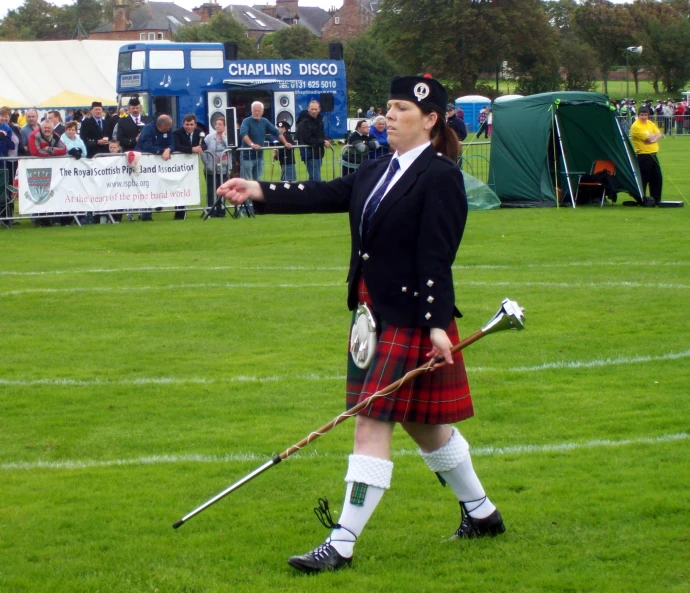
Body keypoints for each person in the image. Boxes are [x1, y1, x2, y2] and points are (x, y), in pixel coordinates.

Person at [217, 75, 503, 574]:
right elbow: (324, 192)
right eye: (387, 107)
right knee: (422, 423)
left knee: (371, 421)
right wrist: (258, 188)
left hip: (412, 316)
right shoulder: (376, 169)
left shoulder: (440, 176)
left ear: (430, 119)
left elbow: (437, 256)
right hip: (373, 316)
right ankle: (482, 514)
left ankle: (342, 541)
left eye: (400, 109)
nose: (388, 116)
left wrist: (437, 325)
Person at [135, 114, 175, 220]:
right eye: (169, 125)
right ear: (162, 125)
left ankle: (158, 204)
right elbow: (147, 146)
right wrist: (162, 151)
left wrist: (168, 150)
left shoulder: (168, 130)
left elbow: (173, 143)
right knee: (146, 187)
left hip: (159, 164)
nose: (171, 127)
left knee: (159, 184)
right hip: (144, 163)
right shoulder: (148, 130)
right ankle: (145, 214)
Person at [239, 101, 292, 182]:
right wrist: (252, 145)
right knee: (245, 182)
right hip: (247, 157)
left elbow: (276, 132)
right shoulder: (246, 121)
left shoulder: (265, 121)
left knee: (258, 182)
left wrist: (285, 142)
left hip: (259, 157)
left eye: (258, 111)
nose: (256, 113)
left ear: (262, 112)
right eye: (255, 110)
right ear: (251, 111)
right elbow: (243, 134)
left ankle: (256, 195)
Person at [173, 114, 205, 220]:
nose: (189, 127)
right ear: (183, 124)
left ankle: (184, 211)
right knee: (179, 187)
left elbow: (204, 144)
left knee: (188, 187)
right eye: (187, 124)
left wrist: (200, 148)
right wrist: (192, 149)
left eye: (191, 124)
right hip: (178, 166)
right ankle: (179, 213)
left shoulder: (199, 132)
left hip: (192, 167)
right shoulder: (177, 133)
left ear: (195, 124)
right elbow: (177, 146)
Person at [630, 106, 663, 205]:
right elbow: (648, 139)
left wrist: (653, 138)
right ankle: (642, 198)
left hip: (653, 154)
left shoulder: (650, 123)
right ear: (638, 115)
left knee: (657, 178)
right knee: (644, 178)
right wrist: (653, 138)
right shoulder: (636, 126)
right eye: (642, 115)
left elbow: (659, 134)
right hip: (644, 155)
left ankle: (656, 199)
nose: (644, 117)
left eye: (645, 115)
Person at [201, 116, 230, 218]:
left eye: (220, 124)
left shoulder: (228, 139)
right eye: (216, 124)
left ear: (225, 126)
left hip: (223, 169)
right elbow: (203, 151)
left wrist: (229, 167)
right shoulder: (208, 138)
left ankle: (221, 210)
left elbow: (230, 152)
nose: (217, 126)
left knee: (222, 190)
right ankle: (211, 210)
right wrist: (207, 164)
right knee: (211, 191)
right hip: (210, 170)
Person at [296, 100, 331, 181]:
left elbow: (321, 135)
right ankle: (318, 193)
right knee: (316, 179)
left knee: (313, 178)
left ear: (319, 109)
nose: (314, 111)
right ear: (308, 109)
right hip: (309, 153)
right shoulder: (303, 123)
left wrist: (325, 139)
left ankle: (309, 193)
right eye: (312, 109)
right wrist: (322, 141)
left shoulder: (319, 121)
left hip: (318, 152)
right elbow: (307, 139)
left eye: (316, 109)